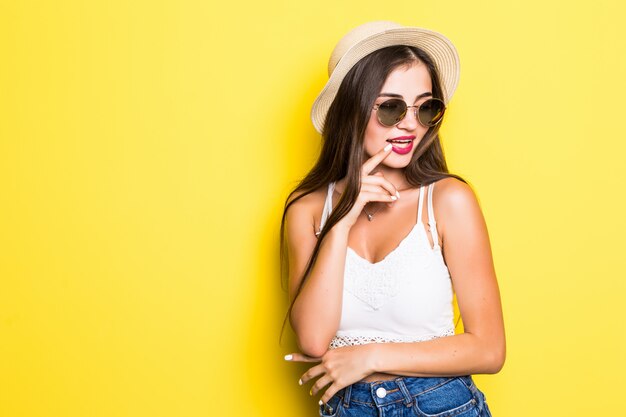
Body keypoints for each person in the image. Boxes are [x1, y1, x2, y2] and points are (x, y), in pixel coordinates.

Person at [279, 21, 505, 417]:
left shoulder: (448, 201)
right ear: (350, 108)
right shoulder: (307, 208)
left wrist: (369, 356)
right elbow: (314, 340)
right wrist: (343, 219)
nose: (410, 124)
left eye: (426, 107)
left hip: (442, 406)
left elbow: (489, 349)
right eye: (391, 107)